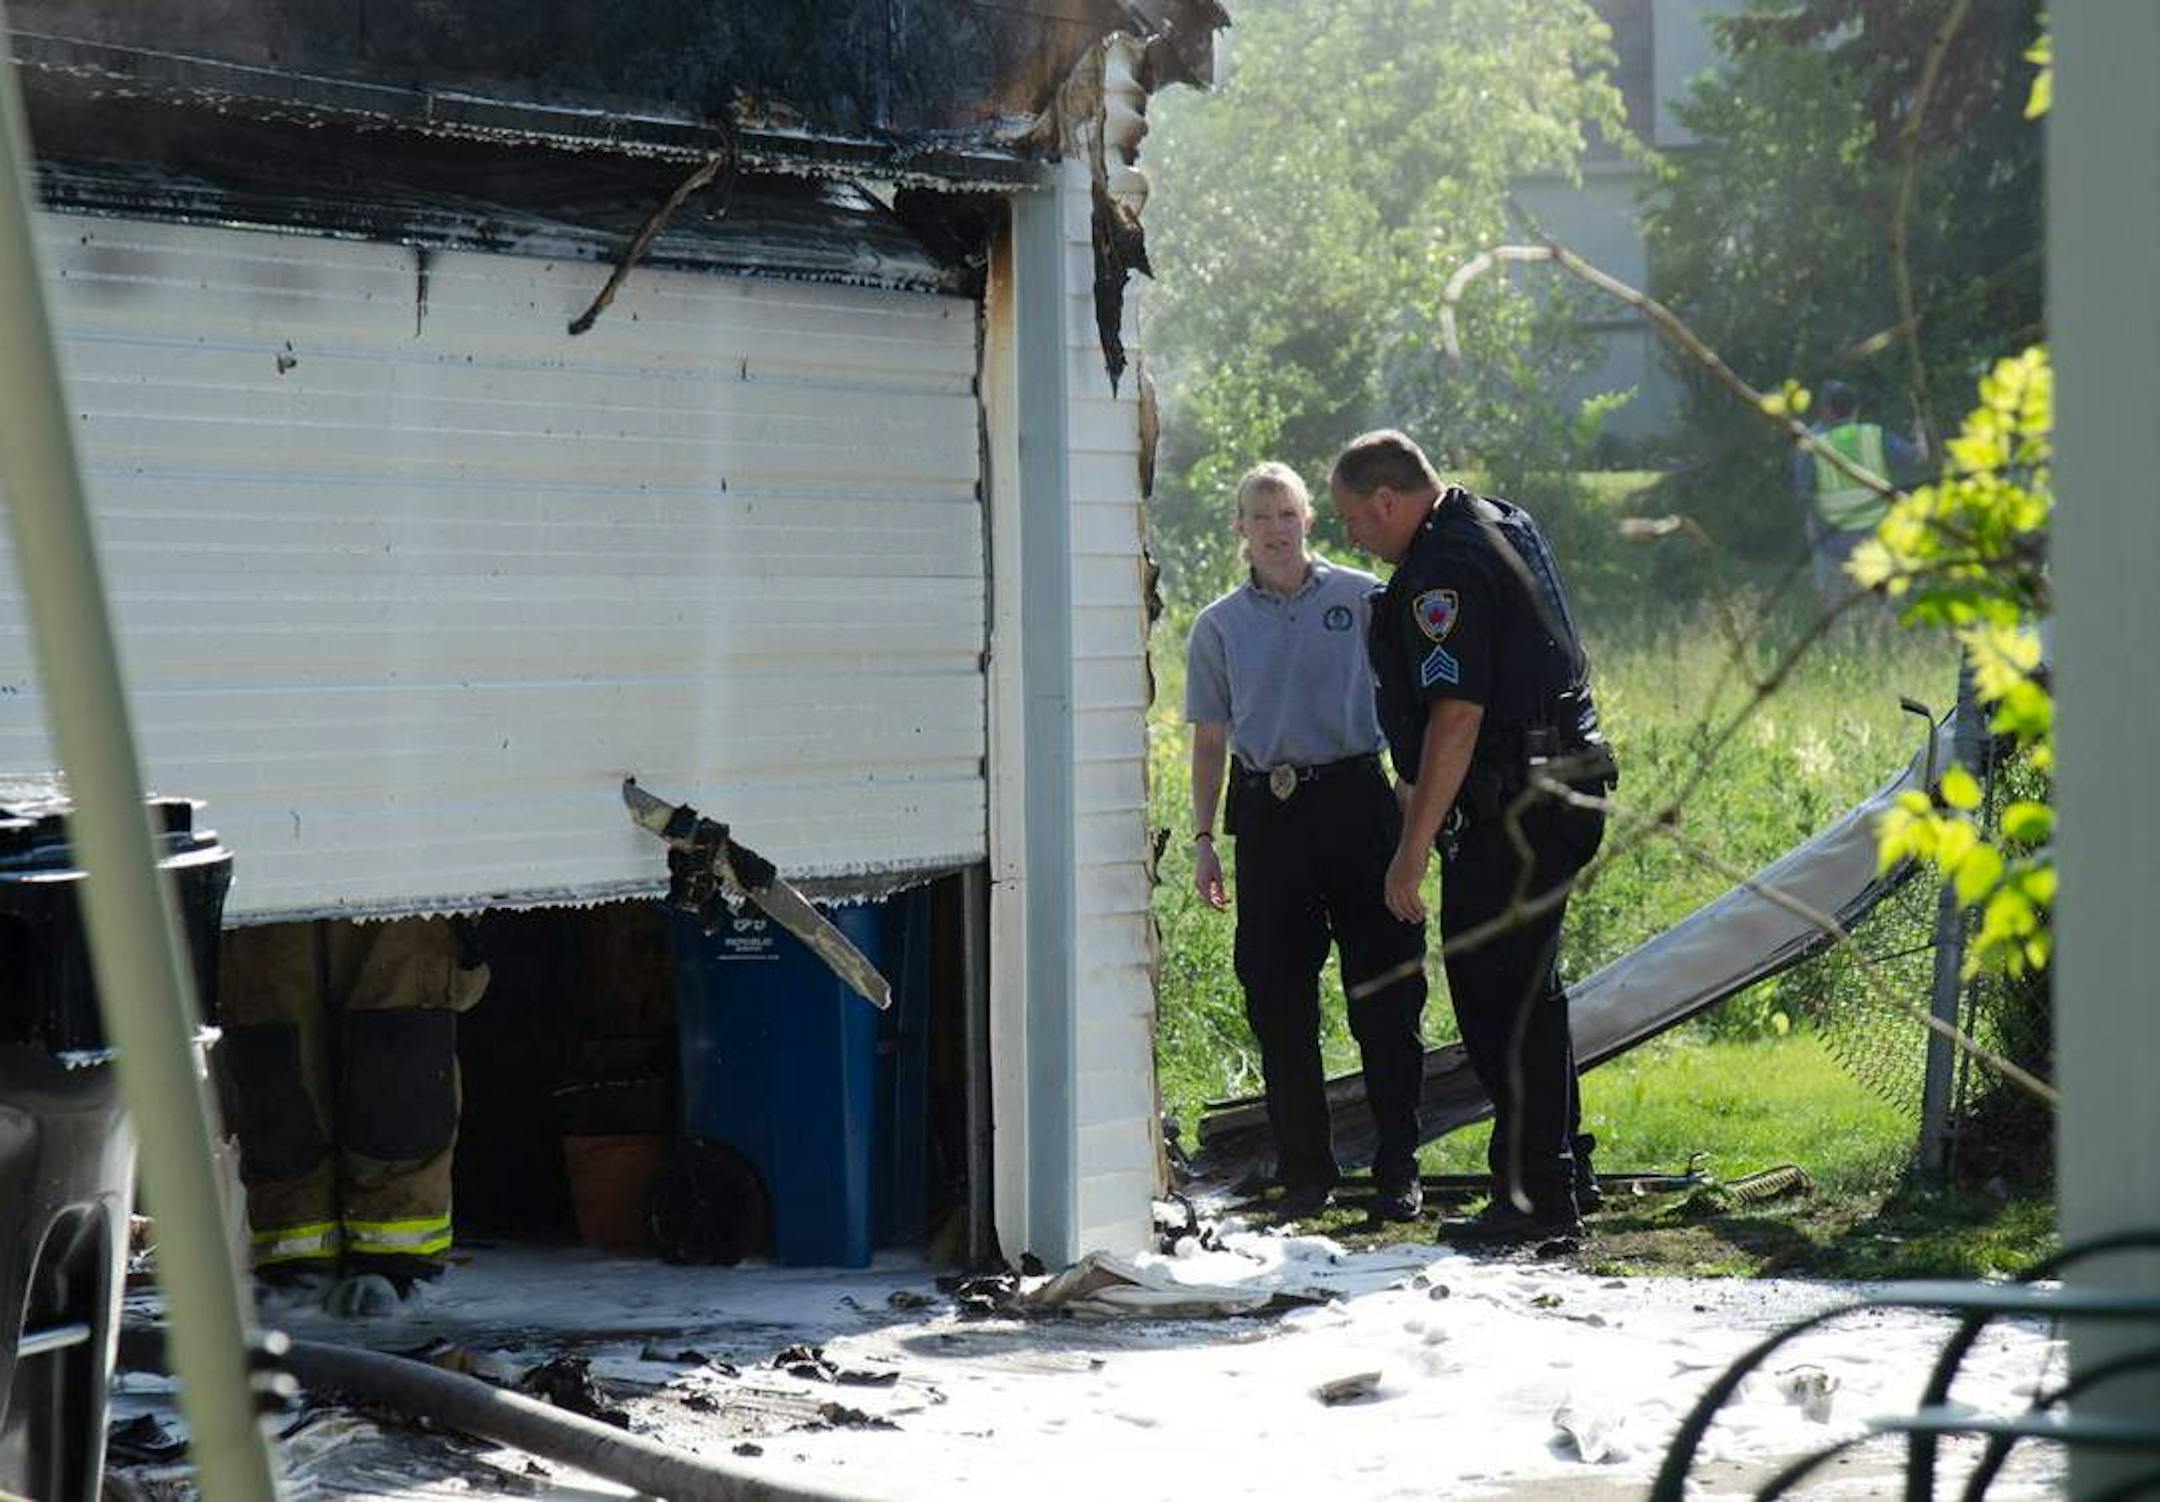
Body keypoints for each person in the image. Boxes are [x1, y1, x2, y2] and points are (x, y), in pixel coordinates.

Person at [1329, 430, 1615, 1244]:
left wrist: (1410, 851)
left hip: (1519, 806)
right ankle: (1563, 1172)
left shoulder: (1442, 570)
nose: (1354, 537)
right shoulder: (1499, 519)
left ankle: (1535, 1200)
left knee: (1497, 998)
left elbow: (1457, 718)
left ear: (1389, 500)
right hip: (1561, 788)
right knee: (1530, 992)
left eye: (1354, 519)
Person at [1185, 462, 1430, 1222]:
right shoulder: (1219, 626)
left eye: (1288, 514)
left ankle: (1397, 1168)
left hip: (1357, 801)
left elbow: (1412, 702)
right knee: (1278, 996)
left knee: (1386, 991)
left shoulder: (1363, 598)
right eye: (1260, 516)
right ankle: (1306, 1172)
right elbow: (1210, 740)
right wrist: (1202, 838)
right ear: (1240, 530)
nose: (1276, 528)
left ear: (1308, 523)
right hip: (1269, 814)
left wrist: (1413, 811)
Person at [218, 915, 489, 1316]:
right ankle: (297, 1252)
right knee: (275, 1049)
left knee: (397, 1035)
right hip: (266, 865)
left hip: (394, 865)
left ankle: (393, 1259)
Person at [1791, 380, 1928, 607]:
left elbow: (1803, 492)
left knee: (1833, 601)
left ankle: (1837, 636)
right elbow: (1918, 457)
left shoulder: (1813, 445)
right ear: (1856, 409)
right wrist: (1920, 429)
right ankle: (1882, 631)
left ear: (1825, 410)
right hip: (1873, 527)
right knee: (1881, 595)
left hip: (1831, 533)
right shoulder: (1875, 435)